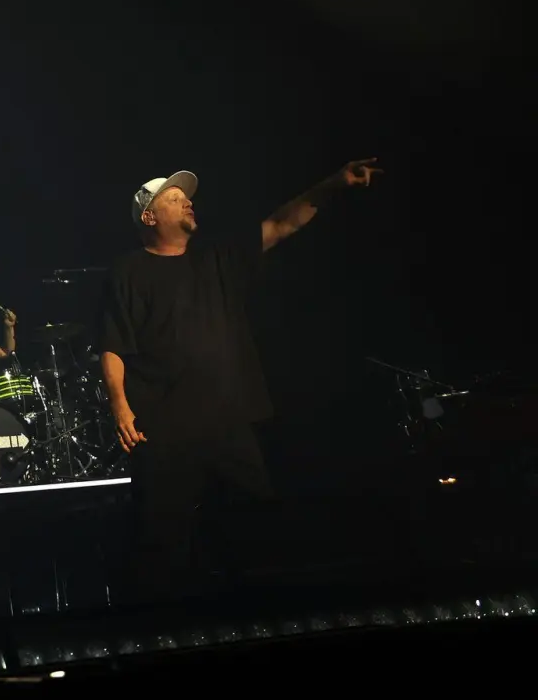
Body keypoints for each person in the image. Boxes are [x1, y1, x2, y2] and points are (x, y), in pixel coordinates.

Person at [97, 160, 383, 603]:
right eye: (174, 198)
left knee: (256, 527)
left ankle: (258, 617)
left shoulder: (217, 257)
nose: (187, 200)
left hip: (229, 421)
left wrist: (335, 183)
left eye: (186, 196)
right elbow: (114, 345)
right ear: (149, 216)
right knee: (162, 543)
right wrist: (120, 406)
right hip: (163, 428)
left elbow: (283, 223)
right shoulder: (128, 272)